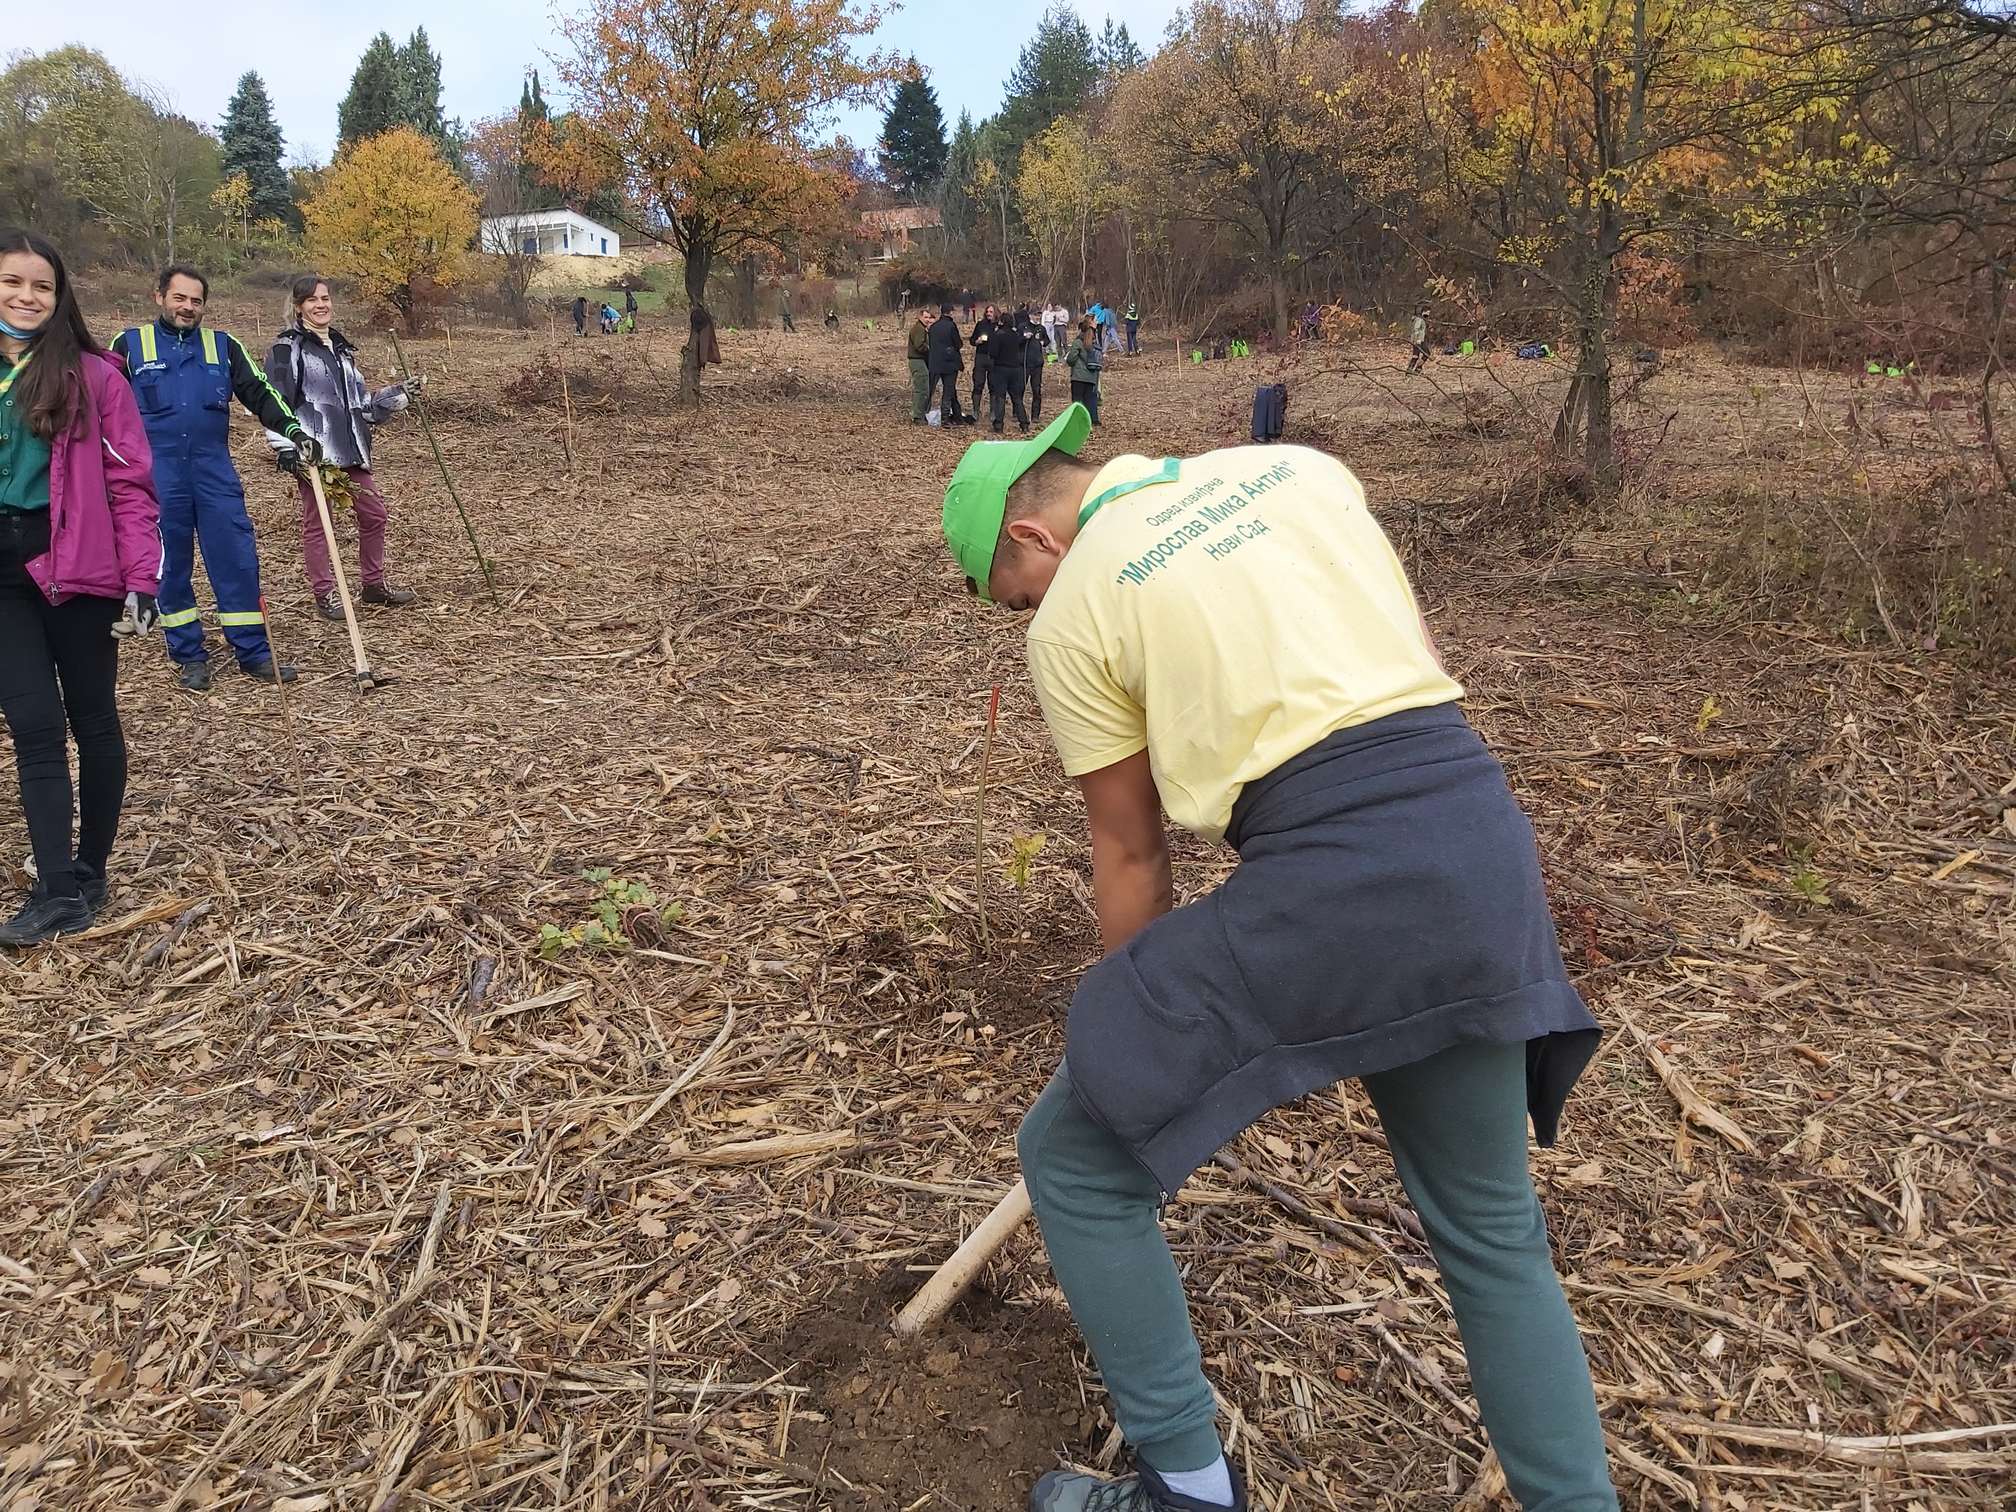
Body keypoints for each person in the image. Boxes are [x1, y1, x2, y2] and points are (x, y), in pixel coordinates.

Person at [935, 410, 1614, 1512]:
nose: (1029, 616)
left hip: (1331, 872)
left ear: (1036, 537)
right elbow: (1407, 666)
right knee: (1493, 1237)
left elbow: (1132, 851)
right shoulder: (1300, 473)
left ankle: (1187, 1494)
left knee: (1072, 1158)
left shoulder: (1074, 617)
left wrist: (1137, 1046)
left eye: (1017, 595)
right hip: (1475, 843)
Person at [0, 229, 161, 946]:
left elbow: (131, 485)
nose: (26, 296)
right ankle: (59, 892)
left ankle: (90, 866)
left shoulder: (95, 377)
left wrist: (141, 579)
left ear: (60, 295)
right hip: (2, 575)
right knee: (34, 729)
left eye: (41, 285)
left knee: (91, 719)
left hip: (76, 566)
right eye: (12, 282)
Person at [110, 266, 315, 691]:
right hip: (157, 476)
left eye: (196, 300)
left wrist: (292, 430)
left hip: (213, 472)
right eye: (179, 298)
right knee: (171, 567)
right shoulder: (130, 345)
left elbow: (260, 392)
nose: (188, 307)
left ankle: (254, 652)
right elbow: (100, 401)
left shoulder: (223, 346)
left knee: (237, 559)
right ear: (159, 297)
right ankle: (188, 654)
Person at [265, 275, 421, 622]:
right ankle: (324, 594)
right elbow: (273, 401)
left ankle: (373, 585)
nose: (321, 305)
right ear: (298, 306)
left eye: (325, 298)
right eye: (311, 300)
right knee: (320, 523)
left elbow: (362, 406)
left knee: (374, 514)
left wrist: (399, 394)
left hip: (350, 450)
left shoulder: (341, 350)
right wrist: (284, 446)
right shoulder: (286, 349)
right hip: (314, 451)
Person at [925, 304, 972, 426]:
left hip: (935, 363)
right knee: (948, 391)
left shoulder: (933, 327)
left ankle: (957, 415)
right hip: (950, 363)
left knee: (946, 391)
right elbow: (958, 344)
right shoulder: (951, 326)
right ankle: (945, 419)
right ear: (950, 312)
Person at [989, 305, 1031, 434]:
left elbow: (993, 353)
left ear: (1001, 322)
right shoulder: (1015, 335)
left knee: (1000, 397)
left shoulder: (998, 335)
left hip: (1001, 369)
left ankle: (998, 425)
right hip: (1015, 369)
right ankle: (1024, 424)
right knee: (1017, 398)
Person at [1066, 320, 1103, 427]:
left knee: (1077, 400)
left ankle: (1078, 421)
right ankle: (1094, 420)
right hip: (1092, 376)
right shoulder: (1095, 343)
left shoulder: (1078, 342)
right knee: (1091, 399)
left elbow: (1071, 359)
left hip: (1078, 376)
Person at [969, 304, 999, 418]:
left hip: (994, 358)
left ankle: (993, 411)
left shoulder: (999, 326)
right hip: (981, 356)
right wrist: (977, 341)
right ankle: (975, 410)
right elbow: (972, 340)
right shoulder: (981, 324)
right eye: (987, 312)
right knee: (978, 383)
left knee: (993, 385)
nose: (989, 314)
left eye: (991, 312)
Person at [1020, 305, 1049, 424]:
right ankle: (1018, 413)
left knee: (1036, 390)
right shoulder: (1023, 326)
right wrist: (1024, 338)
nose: (1038, 317)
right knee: (1020, 388)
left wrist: (1043, 342)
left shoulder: (1041, 328)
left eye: (1039, 315)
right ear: (1030, 315)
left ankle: (1035, 415)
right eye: (1036, 315)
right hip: (1025, 362)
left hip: (1037, 363)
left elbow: (1047, 340)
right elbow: (1017, 341)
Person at [906, 305, 933, 424]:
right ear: (919, 317)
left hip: (919, 360)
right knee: (922, 388)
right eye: (925, 317)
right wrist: (931, 349)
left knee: (922, 388)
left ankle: (919, 414)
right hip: (917, 361)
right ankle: (918, 416)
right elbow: (919, 345)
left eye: (929, 317)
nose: (927, 319)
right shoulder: (919, 329)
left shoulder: (922, 328)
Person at [1407, 304, 1431, 375]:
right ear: (1424, 311)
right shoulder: (1419, 319)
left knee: (1425, 353)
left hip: (1421, 339)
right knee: (1416, 355)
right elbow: (1416, 329)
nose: (1429, 314)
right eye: (1428, 312)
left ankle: (1418, 368)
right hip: (1418, 340)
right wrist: (1417, 340)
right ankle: (1410, 370)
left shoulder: (1422, 319)